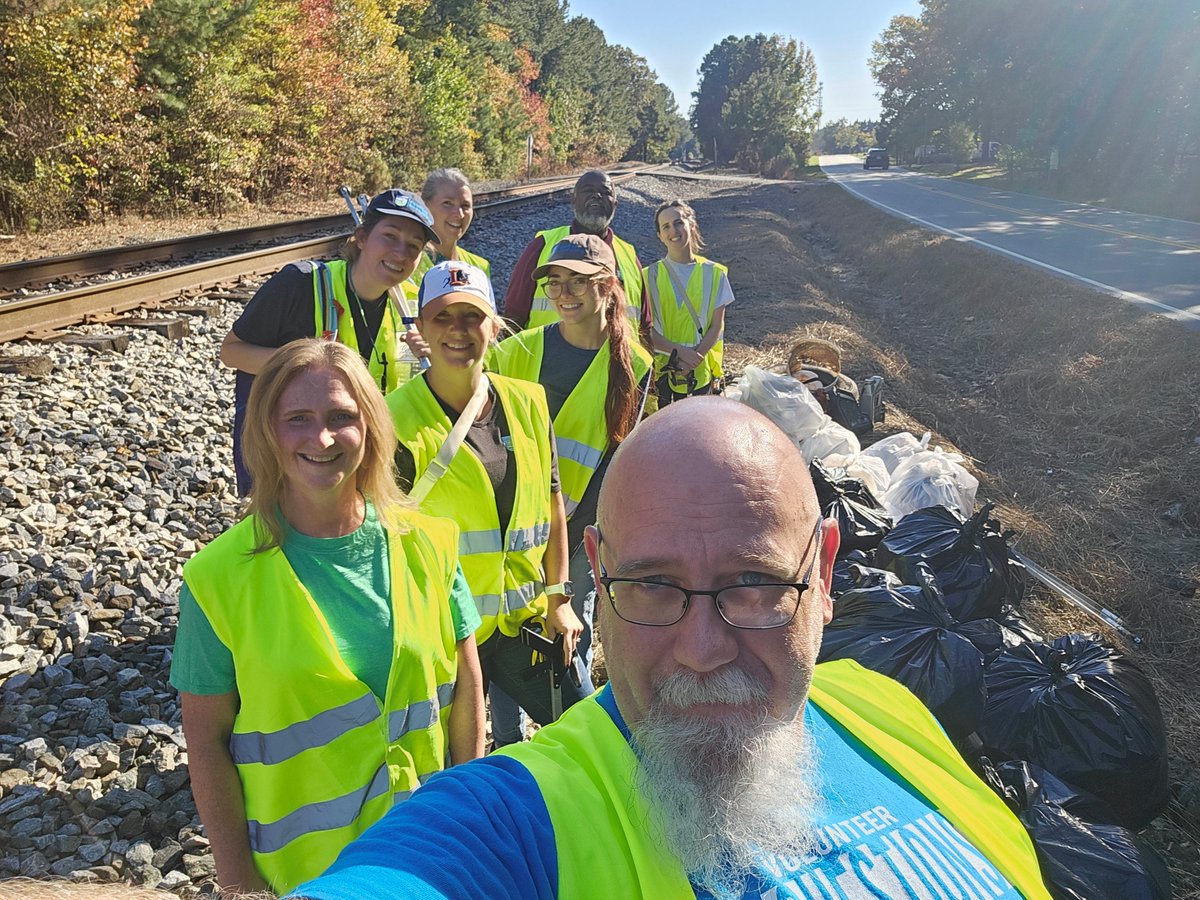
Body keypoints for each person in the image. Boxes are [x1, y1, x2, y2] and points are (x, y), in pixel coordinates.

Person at [291, 398, 1053, 900]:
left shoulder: (886, 709)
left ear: (822, 573)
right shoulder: (522, 821)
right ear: (598, 571)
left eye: (752, 583)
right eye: (652, 585)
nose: (701, 649)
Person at [172, 339, 485, 895]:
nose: (321, 438)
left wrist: (468, 819)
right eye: (298, 419)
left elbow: (466, 688)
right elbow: (207, 743)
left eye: (342, 417)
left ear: (370, 427)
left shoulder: (430, 544)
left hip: (424, 857)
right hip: (304, 877)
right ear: (268, 430)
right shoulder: (216, 580)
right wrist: (238, 881)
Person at [386, 261, 587, 746]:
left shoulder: (528, 402)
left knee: (590, 737)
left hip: (526, 625)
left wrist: (561, 599)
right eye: (442, 317)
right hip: (448, 635)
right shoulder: (394, 419)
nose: (458, 331)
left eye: (472, 317)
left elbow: (553, 502)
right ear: (421, 329)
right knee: (461, 770)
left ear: (494, 327)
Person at [488, 234, 653, 714]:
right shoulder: (515, 353)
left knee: (568, 632)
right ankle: (507, 739)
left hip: (582, 527)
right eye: (555, 282)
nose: (563, 293)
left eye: (577, 282)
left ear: (607, 286)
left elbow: (619, 457)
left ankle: (566, 731)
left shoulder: (634, 363)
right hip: (516, 522)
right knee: (511, 627)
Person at [220, 189, 438, 494]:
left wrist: (432, 360)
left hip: (360, 461)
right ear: (361, 238)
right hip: (294, 455)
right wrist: (303, 366)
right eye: (390, 236)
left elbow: (414, 388)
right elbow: (231, 352)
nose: (401, 253)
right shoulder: (301, 283)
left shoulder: (413, 306)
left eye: (414, 246)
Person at [502, 170, 652, 335]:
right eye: (588, 191)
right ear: (573, 201)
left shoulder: (629, 256)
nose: (596, 196)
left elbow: (644, 326)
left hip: (616, 358)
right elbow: (513, 317)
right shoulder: (542, 246)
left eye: (605, 192)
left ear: (615, 204)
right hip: (547, 358)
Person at [646, 199, 734, 405]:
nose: (673, 230)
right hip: (663, 374)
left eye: (678, 222)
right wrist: (680, 354)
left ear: (691, 225)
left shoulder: (715, 274)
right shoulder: (647, 277)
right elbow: (644, 328)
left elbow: (716, 326)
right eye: (665, 226)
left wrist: (695, 356)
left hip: (699, 371)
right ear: (660, 235)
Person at [410, 167, 491, 285]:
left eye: (465, 205)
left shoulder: (479, 267)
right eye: (447, 203)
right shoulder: (408, 265)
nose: (459, 214)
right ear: (425, 206)